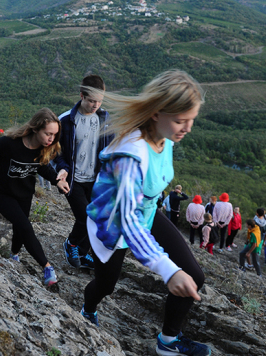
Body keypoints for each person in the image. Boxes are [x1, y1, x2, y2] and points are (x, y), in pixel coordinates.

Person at [81, 70, 210, 356]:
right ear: (155, 113)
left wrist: (174, 268)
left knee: (193, 275)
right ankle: (87, 309)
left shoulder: (167, 138)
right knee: (105, 285)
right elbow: (126, 221)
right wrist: (167, 269)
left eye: (191, 120)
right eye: (180, 120)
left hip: (146, 214)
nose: (187, 128)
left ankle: (168, 342)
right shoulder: (130, 154)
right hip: (113, 224)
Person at [0, 108, 70, 286]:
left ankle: (14, 255)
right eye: (47, 133)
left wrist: (58, 181)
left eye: (54, 135)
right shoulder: (11, 143)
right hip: (2, 193)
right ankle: (46, 266)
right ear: (35, 129)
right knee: (25, 226)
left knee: (20, 228)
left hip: (24, 194)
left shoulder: (43, 148)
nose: (51, 138)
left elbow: (42, 167)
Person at [55, 74, 113, 270]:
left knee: (96, 219)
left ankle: (82, 252)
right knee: (85, 218)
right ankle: (71, 243)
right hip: (73, 180)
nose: (95, 105)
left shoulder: (105, 118)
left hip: (97, 180)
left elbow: (112, 147)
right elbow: (57, 152)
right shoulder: (66, 120)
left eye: (99, 101)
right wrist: (62, 169)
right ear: (81, 96)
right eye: (91, 101)